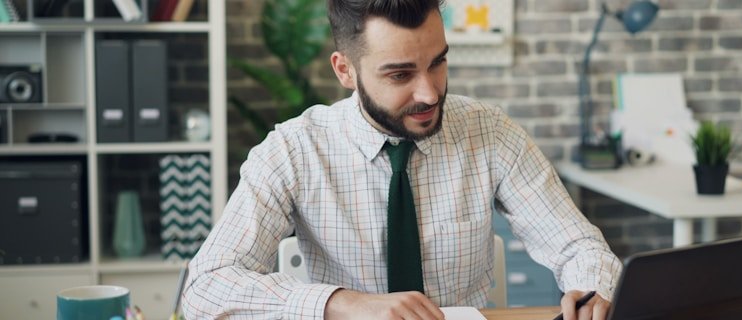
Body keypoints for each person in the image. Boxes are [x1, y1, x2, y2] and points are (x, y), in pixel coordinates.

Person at [183, 0, 622, 319]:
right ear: (345, 71)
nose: (430, 93)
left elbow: (579, 247)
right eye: (400, 74)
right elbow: (205, 286)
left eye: (438, 63)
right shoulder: (294, 150)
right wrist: (341, 303)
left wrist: (591, 290)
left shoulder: (490, 132)